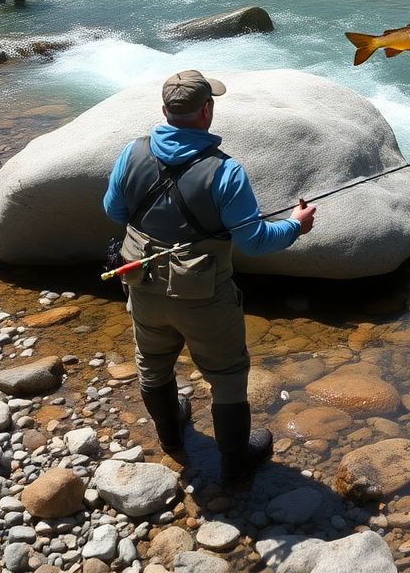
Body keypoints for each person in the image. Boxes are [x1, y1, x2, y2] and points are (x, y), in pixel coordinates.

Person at [102, 70, 316, 484]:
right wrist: (296, 226)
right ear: (207, 111)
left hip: (142, 283)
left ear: (164, 111)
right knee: (228, 376)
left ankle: (170, 437)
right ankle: (235, 464)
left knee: (152, 364)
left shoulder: (132, 152)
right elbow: (253, 242)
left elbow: (114, 212)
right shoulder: (226, 171)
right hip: (205, 296)